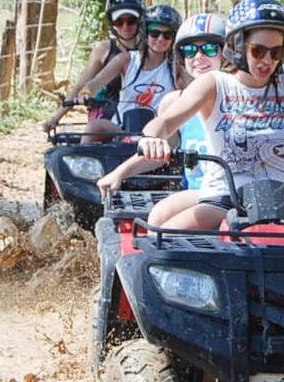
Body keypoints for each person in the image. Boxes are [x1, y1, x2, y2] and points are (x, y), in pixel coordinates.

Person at [136, 0, 284, 234]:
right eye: (258, 51)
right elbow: (163, 123)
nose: (267, 61)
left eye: (276, 52)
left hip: (282, 198)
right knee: (162, 239)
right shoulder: (213, 85)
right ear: (237, 46)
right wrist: (151, 139)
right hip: (224, 196)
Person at [96, 12, 226, 224]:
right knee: (157, 220)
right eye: (190, 50)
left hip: (235, 195)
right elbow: (159, 148)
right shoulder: (175, 102)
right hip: (197, 195)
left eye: (210, 49)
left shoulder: (242, 98)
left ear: (227, 53)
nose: (199, 57)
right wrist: (120, 173)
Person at [69, 4, 181, 142]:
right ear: (145, 33)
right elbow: (96, 82)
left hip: (156, 135)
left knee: (175, 140)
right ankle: (84, 163)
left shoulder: (176, 66)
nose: (160, 39)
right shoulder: (126, 59)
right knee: (94, 127)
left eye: (167, 35)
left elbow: (195, 89)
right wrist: (86, 93)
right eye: (154, 33)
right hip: (122, 129)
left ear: (174, 38)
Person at [42, 0, 145, 133]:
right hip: (106, 115)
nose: (125, 26)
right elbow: (82, 85)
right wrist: (56, 118)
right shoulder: (103, 49)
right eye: (119, 21)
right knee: (92, 140)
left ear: (140, 21)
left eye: (131, 21)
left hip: (141, 116)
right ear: (112, 23)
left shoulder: (150, 50)